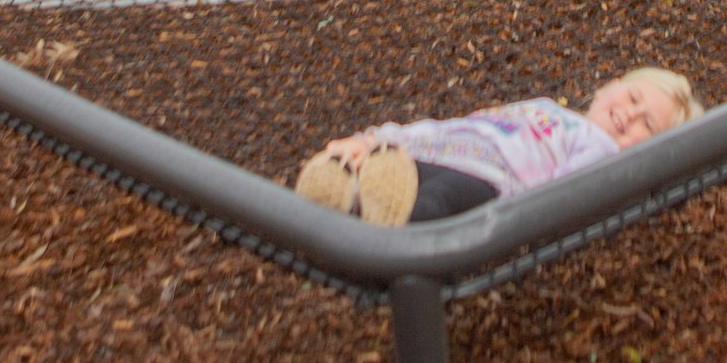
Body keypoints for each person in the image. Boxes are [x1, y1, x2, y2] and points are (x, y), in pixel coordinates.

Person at [293, 67, 703, 226]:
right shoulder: (545, 106)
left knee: (438, 202)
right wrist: (376, 138)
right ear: (609, 87)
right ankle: (340, 194)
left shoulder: (601, 148)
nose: (629, 115)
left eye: (646, 123)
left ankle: (365, 220)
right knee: (382, 166)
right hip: (439, 150)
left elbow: (570, 191)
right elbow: (451, 128)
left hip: (492, 182)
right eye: (632, 99)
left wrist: (529, 221)